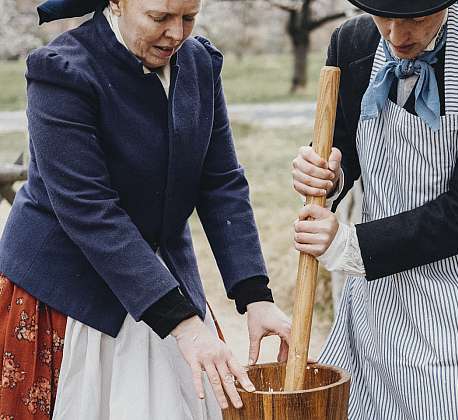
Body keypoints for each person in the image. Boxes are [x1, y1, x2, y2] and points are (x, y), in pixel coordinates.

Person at [0, 0, 292, 418]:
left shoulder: (199, 63)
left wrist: (255, 294)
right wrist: (183, 323)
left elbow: (220, 181)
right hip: (69, 288)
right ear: (116, 3)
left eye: (189, 17)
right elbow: (89, 210)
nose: (176, 33)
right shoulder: (60, 72)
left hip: (164, 277)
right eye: (159, 18)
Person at [292, 0, 458, 418]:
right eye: (386, 17)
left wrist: (350, 245)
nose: (398, 37)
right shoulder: (352, 44)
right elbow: (342, 147)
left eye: (416, 18)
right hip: (388, 295)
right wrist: (326, 176)